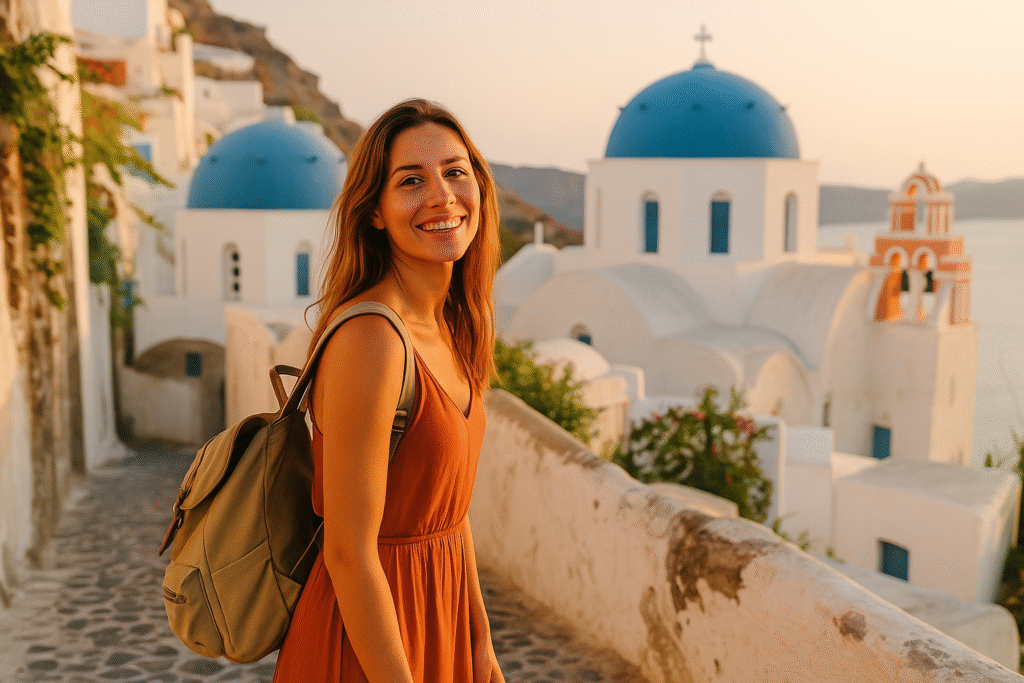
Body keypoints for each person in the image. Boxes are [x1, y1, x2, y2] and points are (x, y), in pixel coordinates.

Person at [272, 99, 505, 683]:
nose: (442, 197)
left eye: (455, 171)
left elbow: (448, 514)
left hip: (438, 617)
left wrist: (481, 649)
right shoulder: (372, 339)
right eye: (410, 181)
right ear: (374, 211)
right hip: (369, 646)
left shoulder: (449, 327)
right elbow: (349, 552)